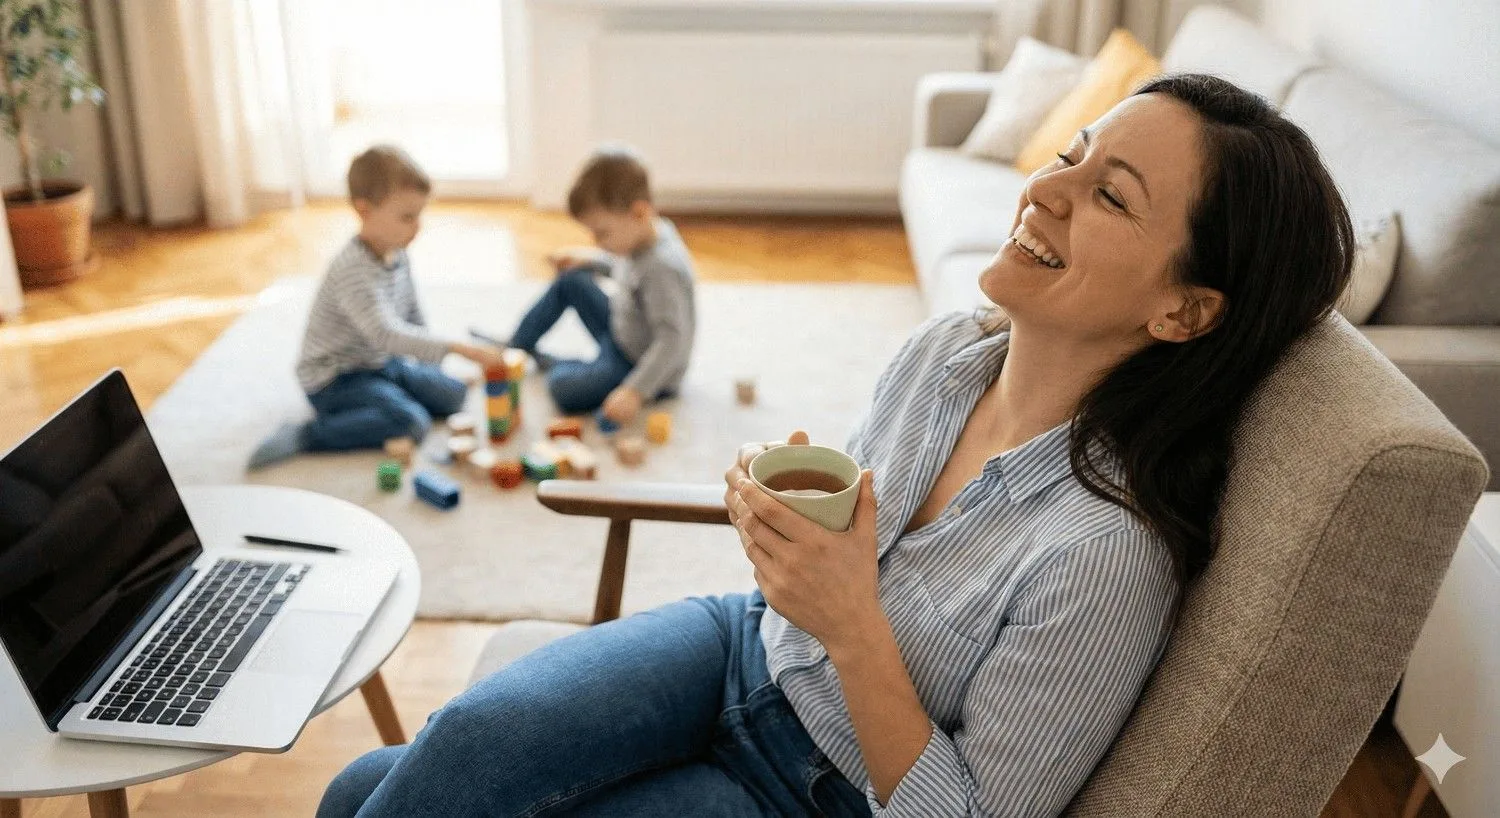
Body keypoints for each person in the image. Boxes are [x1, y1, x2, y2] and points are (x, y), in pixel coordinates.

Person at [318, 74, 1354, 817]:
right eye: (1072, 155)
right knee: (432, 758)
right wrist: (781, 535)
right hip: (741, 647)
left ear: (1184, 310)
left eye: (1110, 195)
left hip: (813, 791)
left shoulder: (1106, 552)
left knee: (366, 790)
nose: (1046, 188)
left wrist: (854, 624)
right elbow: (826, 565)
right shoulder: (944, 354)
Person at [247, 145, 504, 469]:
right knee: (412, 423)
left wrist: (430, 371)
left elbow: (413, 317)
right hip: (336, 378)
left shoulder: (398, 252)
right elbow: (386, 334)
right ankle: (308, 434)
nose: (417, 226)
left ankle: (391, 395)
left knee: (453, 395)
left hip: (381, 362)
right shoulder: (352, 269)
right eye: (407, 217)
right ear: (364, 210)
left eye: (419, 215)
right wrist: (461, 349)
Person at [493, 146, 696, 425]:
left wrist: (634, 391)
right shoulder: (644, 235)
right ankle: (515, 348)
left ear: (639, 213)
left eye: (602, 233)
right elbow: (629, 275)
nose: (596, 241)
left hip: (640, 365)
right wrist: (592, 260)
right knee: (571, 280)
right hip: (622, 330)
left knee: (562, 387)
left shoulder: (663, 268)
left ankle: (562, 364)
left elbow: (672, 342)